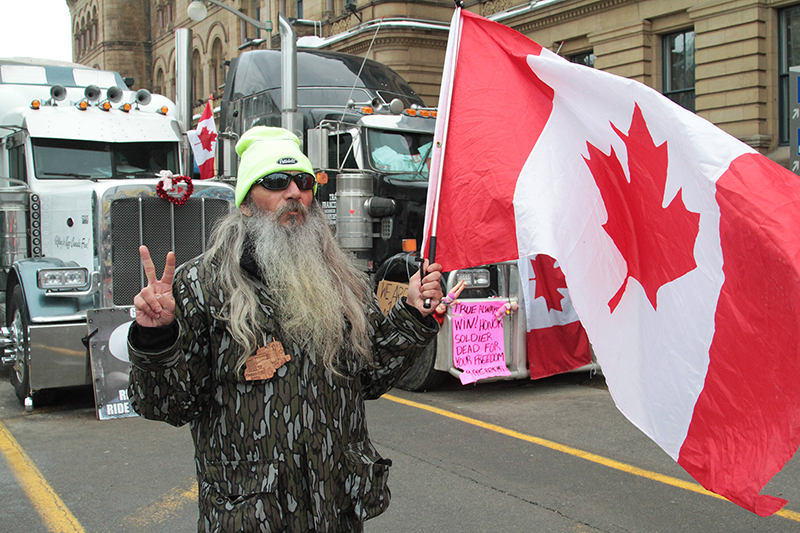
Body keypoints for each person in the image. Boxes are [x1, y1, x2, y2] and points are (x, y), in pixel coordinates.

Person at [127, 126, 444, 533]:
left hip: (334, 510)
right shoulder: (200, 284)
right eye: (276, 182)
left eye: (304, 182)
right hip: (252, 515)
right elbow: (169, 406)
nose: (293, 192)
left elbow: (368, 377)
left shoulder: (341, 280)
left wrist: (412, 316)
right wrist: (156, 339)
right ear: (245, 203)